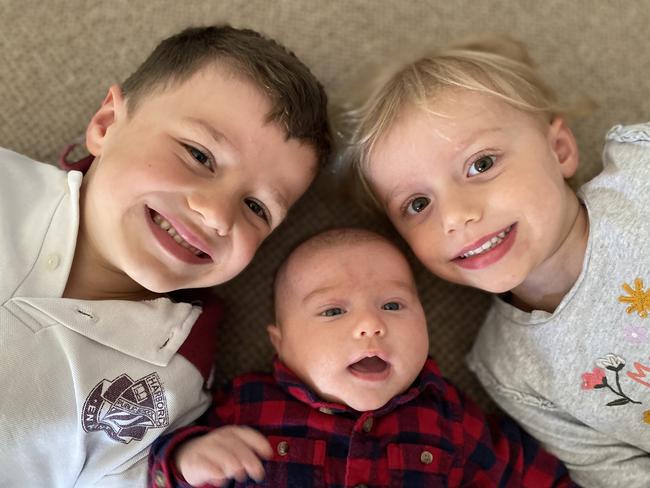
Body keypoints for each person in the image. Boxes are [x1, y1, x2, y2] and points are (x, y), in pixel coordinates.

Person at [0, 24, 331, 487]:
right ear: (106, 124)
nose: (217, 214)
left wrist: (176, 469)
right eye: (198, 155)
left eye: (256, 207)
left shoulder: (175, 375)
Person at [343, 37, 650, 487]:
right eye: (418, 204)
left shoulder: (640, 174)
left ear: (560, 150)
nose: (455, 216)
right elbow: (612, 472)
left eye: (481, 164)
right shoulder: (511, 367)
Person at [148, 227, 576, 488]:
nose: (371, 325)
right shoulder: (245, 408)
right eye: (333, 311)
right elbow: (165, 468)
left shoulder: (450, 420)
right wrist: (187, 461)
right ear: (281, 343)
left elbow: (535, 475)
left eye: (393, 305)